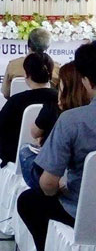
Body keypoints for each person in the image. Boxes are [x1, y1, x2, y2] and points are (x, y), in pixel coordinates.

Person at [17, 42, 96, 251]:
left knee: (28, 201)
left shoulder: (72, 121)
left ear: (87, 81)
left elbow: (48, 184)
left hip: (82, 212)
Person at [19, 61, 91, 189]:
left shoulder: (66, 118)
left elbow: (49, 184)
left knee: (25, 150)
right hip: (84, 184)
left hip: (62, 184)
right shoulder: (87, 114)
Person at [0, 52, 58, 167]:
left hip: (15, 157)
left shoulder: (16, 101)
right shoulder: (61, 100)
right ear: (51, 74)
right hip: (52, 157)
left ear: (27, 75)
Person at [1, 27, 60, 98]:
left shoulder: (13, 65)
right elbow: (61, 94)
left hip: (18, 104)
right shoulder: (57, 69)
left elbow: (6, 93)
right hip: (48, 104)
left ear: (28, 44)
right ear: (47, 47)